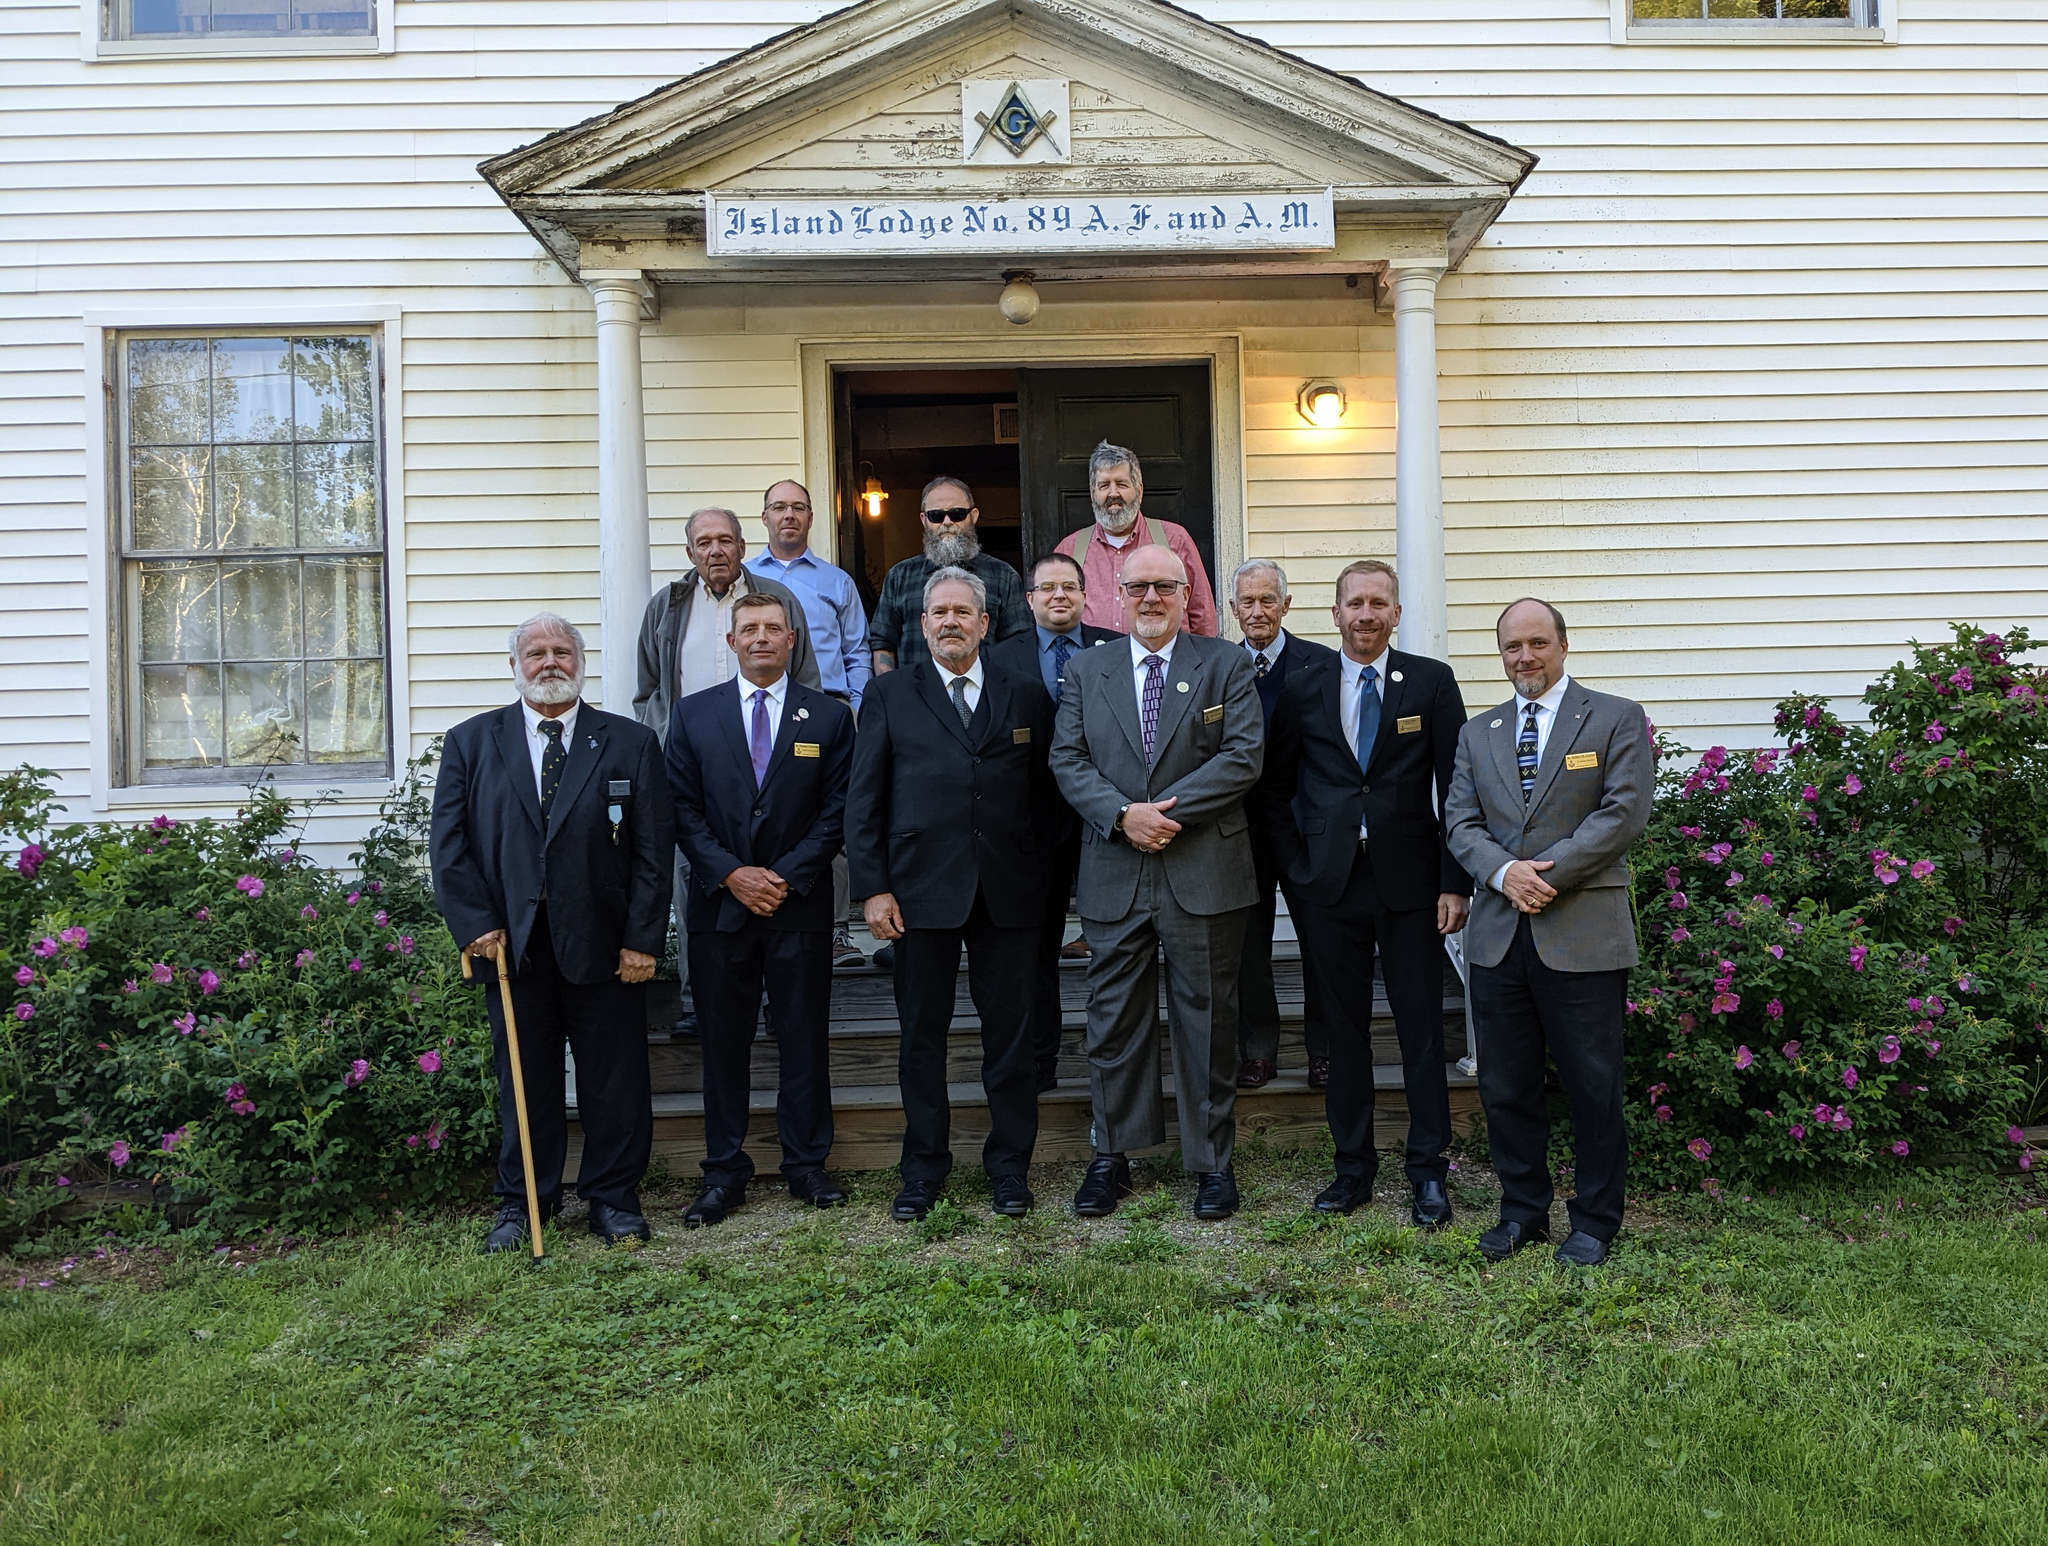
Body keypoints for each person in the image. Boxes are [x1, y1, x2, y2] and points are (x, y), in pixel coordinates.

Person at [430, 613, 672, 1254]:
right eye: (535, 652)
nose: (549, 662)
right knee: (523, 1082)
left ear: (580, 660)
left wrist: (644, 939)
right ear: (515, 665)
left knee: (613, 1083)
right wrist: (474, 925)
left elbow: (653, 852)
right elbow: (449, 848)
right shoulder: (470, 743)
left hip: (607, 947)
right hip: (512, 949)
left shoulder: (628, 743)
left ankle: (614, 1200)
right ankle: (523, 1205)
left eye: (561, 651)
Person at [1049, 544, 1262, 1221]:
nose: (1149, 598)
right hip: (1115, 867)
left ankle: (1210, 1165)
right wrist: (1121, 815)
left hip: (1202, 866)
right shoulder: (1087, 669)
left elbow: (1243, 756)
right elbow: (1068, 757)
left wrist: (1162, 815)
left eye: (1164, 587)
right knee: (1113, 1020)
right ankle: (1113, 1157)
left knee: (1206, 1021)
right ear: (1116, 592)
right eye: (1137, 586)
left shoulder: (1225, 664)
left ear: (1183, 593)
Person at [1260, 560, 1471, 1228]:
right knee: (1343, 1034)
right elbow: (1274, 785)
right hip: (1328, 885)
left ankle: (1428, 1173)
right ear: (1335, 614)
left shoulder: (1431, 683)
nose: (1367, 614)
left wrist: (1453, 880)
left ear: (1397, 615)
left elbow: (1457, 787)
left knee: (1420, 1032)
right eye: (1355, 603)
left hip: (1412, 887)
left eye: (1380, 603)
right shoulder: (1302, 684)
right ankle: (1352, 1169)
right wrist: (1297, 867)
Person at [1445, 597, 1653, 1268]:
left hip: (1583, 932)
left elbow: (1623, 815)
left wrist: (1546, 874)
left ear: (1562, 646)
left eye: (1537, 643)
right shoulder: (1479, 734)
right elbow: (1459, 822)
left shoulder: (1616, 718)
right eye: (1512, 647)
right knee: (1506, 1085)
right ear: (1500, 653)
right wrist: (1503, 873)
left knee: (1593, 1084)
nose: (1524, 657)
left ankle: (1594, 1221)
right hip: (1500, 935)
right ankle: (1522, 1211)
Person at [847, 566, 1059, 1220]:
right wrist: (873, 888)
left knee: (1011, 1040)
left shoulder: (1024, 694)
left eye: (962, 612)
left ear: (985, 623)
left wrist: (1048, 884)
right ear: (921, 625)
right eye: (939, 612)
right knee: (921, 1039)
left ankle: (1009, 1171)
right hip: (917, 895)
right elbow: (865, 799)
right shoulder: (889, 695)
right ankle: (923, 1170)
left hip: (1010, 895)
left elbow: (1049, 800)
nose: (950, 622)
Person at [665, 592, 855, 1227]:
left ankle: (807, 1164)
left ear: (792, 640)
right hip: (720, 908)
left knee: (803, 1038)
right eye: (750, 629)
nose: (763, 638)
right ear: (732, 642)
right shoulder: (692, 716)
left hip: (797, 905)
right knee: (724, 1043)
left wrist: (785, 875)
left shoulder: (828, 719)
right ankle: (725, 1171)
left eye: (775, 629)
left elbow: (838, 812)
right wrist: (731, 873)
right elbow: (681, 811)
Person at [634, 506, 829, 1021]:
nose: (715, 550)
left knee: (775, 873)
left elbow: (805, 676)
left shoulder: (777, 600)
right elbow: (648, 689)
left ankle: (774, 998)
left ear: (744, 547)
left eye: (725, 540)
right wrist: (663, 747)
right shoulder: (667, 606)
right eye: (704, 542)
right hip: (698, 767)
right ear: (690, 552)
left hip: (773, 762)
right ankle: (700, 999)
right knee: (696, 878)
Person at [985, 551, 1120, 1088]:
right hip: (1030, 821)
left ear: (1085, 596)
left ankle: (1112, 1059)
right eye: (1047, 588)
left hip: (1105, 817)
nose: (1059, 596)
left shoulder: (1116, 648)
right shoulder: (999, 657)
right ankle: (1040, 1058)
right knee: (1034, 946)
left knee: (1113, 941)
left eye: (1069, 587)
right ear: (1030, 599)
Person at [746, 478, 872, 970]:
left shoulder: (835, 581)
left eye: (798, 508)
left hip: (828, 711)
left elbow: (857, 650)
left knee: (831, 818)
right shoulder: (747, 578)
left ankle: (838, 931)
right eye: (779, 507)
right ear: (765, 518)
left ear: (811, 518)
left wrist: (854, 709)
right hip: (763, 708)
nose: (789, 516)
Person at [1226, 558, 1337, 1092]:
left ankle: (1325, 1052)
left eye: (1268, 600)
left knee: (1320, 941)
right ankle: (1258, 1051)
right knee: (1250, 946)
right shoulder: (1216, 668)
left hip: (1304, 828)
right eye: (1247, 601)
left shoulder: (1323, 665)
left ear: (1286, 605)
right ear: (1232, 609)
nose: (1258, 611)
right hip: (1237, 831)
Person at [1053, 440, 1219, 638]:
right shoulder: (1069, 550)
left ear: (1139, 491)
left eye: (1121, 484)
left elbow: (1202, 614)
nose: (1113, 493)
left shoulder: (1174, 539)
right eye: (1104, 485)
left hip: (1169, 665)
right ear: (1092, 493)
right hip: (1094, 666)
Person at [868, 475, 1031, 676]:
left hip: (987, 701)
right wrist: (892, 696)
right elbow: (883, 642)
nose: (946, 522)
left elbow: (1020, 644)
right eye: (936, 515)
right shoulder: (900, 576)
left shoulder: (1003, 576)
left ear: (974, 515)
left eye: (957, 514)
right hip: (913, 701)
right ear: (924, 520)